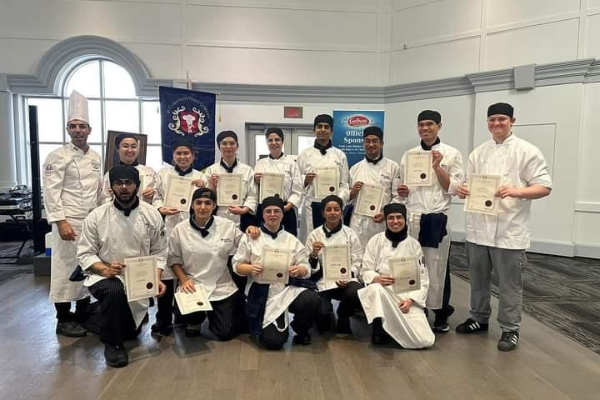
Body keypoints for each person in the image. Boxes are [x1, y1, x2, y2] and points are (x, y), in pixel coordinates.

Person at [454, 102, 552, 352]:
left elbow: (544, 186)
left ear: (512, 121)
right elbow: (468, 184)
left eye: (501, 119)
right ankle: (479, 318)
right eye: (492, 120)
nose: (496, 124)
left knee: (509, 284)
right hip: (478, 228)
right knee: (477, 279)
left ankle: (510, 329)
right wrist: (464, 190)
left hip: (509, 230)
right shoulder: (478, 153)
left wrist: (516, 191)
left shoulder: (527, 151)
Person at [77, 165, 167, 368]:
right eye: (118, 183)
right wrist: (104, 269)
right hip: (105, 276)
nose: (124, 187)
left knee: (131, 333)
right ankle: (113, 345)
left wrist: (158, 277)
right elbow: (85, 253)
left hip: (139, 279)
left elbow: (160, 252)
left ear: (137, 185)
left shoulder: (152, 214)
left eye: (128, 183)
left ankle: (95, 316)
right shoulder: (97, 216)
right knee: (114, 291)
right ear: (111, 187)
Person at [397, 110, 464, 333]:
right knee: (413, 266)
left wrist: (437, 167)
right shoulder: (409, 155)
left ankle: (441, 312)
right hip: (413, 217)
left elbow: (454, 188)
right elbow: (403, 190)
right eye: (421, 125)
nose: (425, 128)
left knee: (438, 267)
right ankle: (417, 307)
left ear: (439, 126)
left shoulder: (452, 154)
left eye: (430, 124)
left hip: (436, 218)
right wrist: (403, 191)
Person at [42, 90, 103, 337]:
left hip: (91, 221)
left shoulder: (96, 157)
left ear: (90, 129)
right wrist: (60, 221)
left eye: (82, 126)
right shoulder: (57, 156)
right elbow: (51, 191)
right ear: (68, 130)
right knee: (66, 266)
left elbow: (99, 191)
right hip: (68, 221)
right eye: (73, 126)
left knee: (87, 265)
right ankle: (63, 317)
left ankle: (83, 312)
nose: (78, 130)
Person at [233, 196, 320, 350]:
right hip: (261, 291)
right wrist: (250, 268)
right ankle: (272, 321)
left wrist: (299, 270)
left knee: (310, 298)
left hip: (286, 289)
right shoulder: (251, 238)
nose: (272, 214)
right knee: (273, 342)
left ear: (282, 214)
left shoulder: (292, 240)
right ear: (262, 215)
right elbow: (237, 265)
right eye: (268, 211)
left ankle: (301, 328)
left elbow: (305, 266)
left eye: (276, 211)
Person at [168, 188, 250, 340]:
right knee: (183, 314)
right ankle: (195, 321)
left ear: (214, 206)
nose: (203, 207)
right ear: (192, 205)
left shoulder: (227, 226)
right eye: (198, 203)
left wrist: (252, 231)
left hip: (220, 283)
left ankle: (219, 313)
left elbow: (246, 243)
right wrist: (184, 280)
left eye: (208, 203)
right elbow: (173, 260)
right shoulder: (180, 229)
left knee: (225, 333)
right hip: (193, 283)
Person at [358, 203, 435, 349]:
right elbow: (365, 270)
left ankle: (395, 331)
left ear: (405, 220)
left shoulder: (414, 245)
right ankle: (379, 330)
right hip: (384, 292)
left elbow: (423, 279)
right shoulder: (376, 241)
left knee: (424, 341)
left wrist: (411, 300)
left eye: (399, 217)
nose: (395, 221)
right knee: (375, 289)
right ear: (386, 221)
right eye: (391, 218)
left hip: (405, 296)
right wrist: (377, 278)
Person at [151, 139, 205, 336]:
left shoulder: (200, 177)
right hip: (168, 227)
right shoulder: (163, 174)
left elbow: (207, 202)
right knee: (165, 274)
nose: (183, 157)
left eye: (186, 153)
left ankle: (186, 317)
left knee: (188, 272)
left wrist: (203, 186)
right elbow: (155, 196)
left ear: (193, 155)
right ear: (173, 155)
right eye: (178, 153)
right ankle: (163, 321)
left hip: (191, 230)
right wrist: (160, 208)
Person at [306, 195, 363, 334]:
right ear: (323, 213)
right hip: (322, 281)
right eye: (329, 209)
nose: (333, 213)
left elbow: (357, 260)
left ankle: (344, 315)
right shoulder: (314, 235)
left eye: (336, 209)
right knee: (323, 317)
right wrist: (313, 254)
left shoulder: (350, 234)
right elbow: (307, 268)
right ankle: (326, 313)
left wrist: (348, 276)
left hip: (345, 280)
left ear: (342, 212)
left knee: (356, 292)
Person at [297, 114, 349, 240]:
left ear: (331, 131)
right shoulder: (305, 154)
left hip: (332, 208)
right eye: (319, 126)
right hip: (311, 205)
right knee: (311, 241)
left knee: (333, 240)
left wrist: (338, 201)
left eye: (326, 127)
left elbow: (344, 184)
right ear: (314, 130)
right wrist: (305, 180)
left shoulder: (340, 155)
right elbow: (295, 182)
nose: (323, 130)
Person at [348, 126, 401, 248]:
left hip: (381, 220)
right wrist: (352, 192)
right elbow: (347, 198)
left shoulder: (393, 167)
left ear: (381, 144)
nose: (371, 144)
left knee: (382, 255)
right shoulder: (355, 169)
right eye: (367, 141)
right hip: (359, 222)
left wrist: (386, 213)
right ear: (363, 143)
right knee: (358, 255)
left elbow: (397, 196)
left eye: (375, 141)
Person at [253, 127, 303, 236]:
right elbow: (254, 190)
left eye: (277, 140)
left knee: (288, 240)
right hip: (265, 208)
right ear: (266, 142)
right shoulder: (260, 163)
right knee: (263, 238)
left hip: (286, 208)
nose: (274, 143)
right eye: (270, 140)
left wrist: (289, 205)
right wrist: (256, 182)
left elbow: (298, 189)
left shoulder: (292, 163)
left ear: (282, 141)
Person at [206, 130, 257, 231]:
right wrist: (211, 186)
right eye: (224, 143)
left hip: (242, 216)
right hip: (218, 215)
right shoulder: (211, 170)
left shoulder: (247, 170)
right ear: (219, 146)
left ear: (237, 146)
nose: (228, 147)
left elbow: (253, 195)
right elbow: (206, 198)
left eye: (232, 143)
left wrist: (244, 210)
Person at [99, 133, 161, 205]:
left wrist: (153, 193)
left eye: (134, 146)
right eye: (125, 146)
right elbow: (104, 200)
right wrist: (115, 197)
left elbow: (159, 197)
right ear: (117, 149)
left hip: (144, 214)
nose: (130, 150)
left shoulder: (149, 171)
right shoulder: (111, 173)